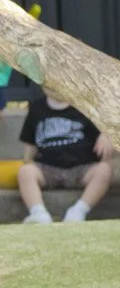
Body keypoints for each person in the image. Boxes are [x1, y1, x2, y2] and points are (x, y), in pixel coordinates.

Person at [15, 86, 112, 224]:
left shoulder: (83, 106)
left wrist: (104, 135)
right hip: (47, 168)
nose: (54, 87)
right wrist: (27, 160)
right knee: (25, 172)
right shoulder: (37, 108)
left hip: (82, 168)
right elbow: (30, 142)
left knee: (104, 170)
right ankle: (38, 213)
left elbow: (103, 131)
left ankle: (78, 211)